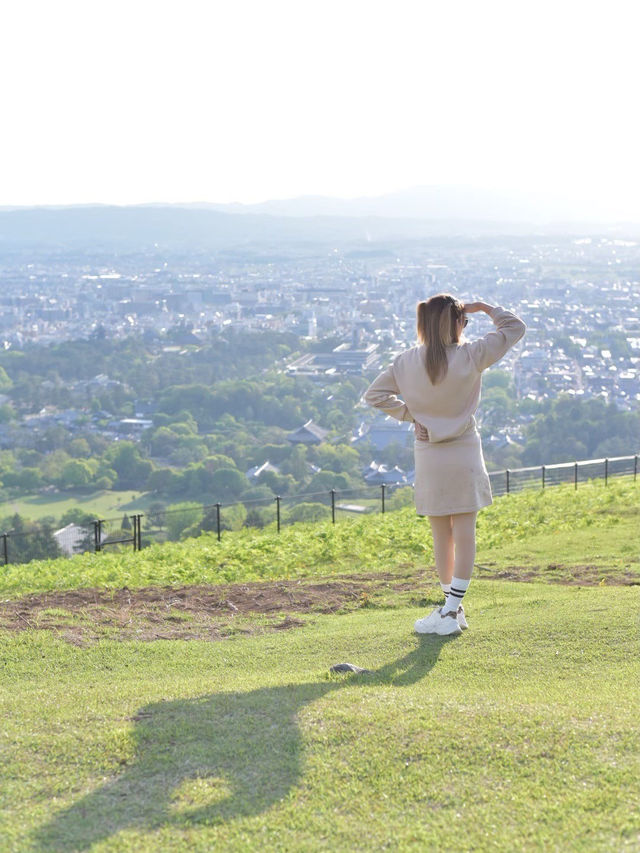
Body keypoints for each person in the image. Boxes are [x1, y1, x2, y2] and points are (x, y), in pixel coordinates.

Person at [364, 294, 526, 636]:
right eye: (463, 321)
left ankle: (451, 609)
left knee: (441, 534)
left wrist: (411, 415)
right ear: (455, 323)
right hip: (465, 450)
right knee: (465, 531)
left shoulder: (406, 362)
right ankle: (452, 610)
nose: (465, 326)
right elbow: (515, 327)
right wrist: (483, 308)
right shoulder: (472, 355)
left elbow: (375, 395)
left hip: (429, 454)